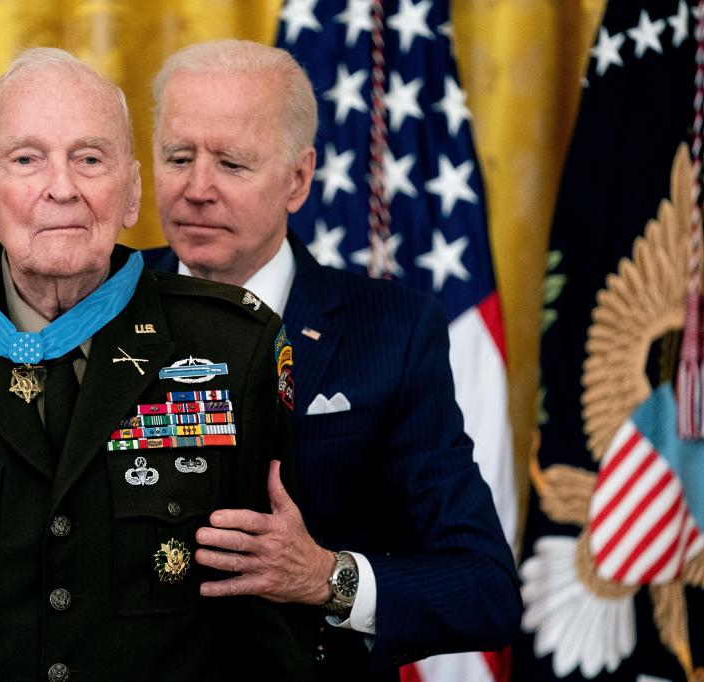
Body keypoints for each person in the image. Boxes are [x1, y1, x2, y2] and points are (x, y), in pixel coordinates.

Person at [0, 47, 313, 682]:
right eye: (26, 159)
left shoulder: (236, 348)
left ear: (130, 194)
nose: (61, 187)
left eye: (89, 159)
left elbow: (268, 632)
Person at [143, 39, 522, 681]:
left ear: (298, 178)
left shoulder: (394, 332)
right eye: (178, 157)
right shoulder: (91, 302)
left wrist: (325, 578)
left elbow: (483, 586)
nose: (196, 188)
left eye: (232, 164)